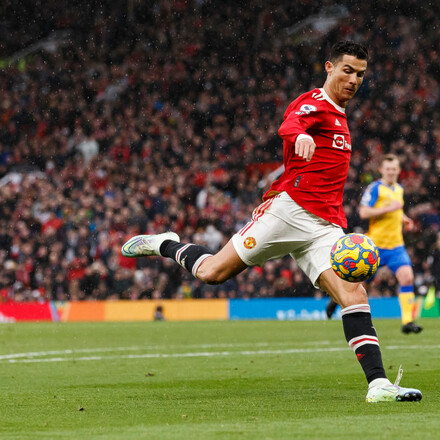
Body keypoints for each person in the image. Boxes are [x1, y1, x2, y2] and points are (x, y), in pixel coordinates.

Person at [121, 41, 421, 402]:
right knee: (212, 273)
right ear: (329, 67)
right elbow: (290, 123)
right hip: (288, 213)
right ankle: (164, 243)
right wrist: (301, 136)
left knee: (353, 294)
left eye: (360, 74)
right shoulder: (315, 103)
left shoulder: (341, 116)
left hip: (325, 226)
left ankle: (378, 385)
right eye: (347, 70)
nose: (354, 79)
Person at [326, 154, 423, 334]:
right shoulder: (375, 188)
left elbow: (396, 210)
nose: (391, 172)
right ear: (381, 170)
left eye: (394, 169)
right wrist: (389, 208)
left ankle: (407, 321)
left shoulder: (399, 189)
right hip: (374, 246)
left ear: (398, 170)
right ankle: (336, 300)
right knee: (361, 286)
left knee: (407, 278)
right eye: (388, 169)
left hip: (396, 246)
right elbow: (364, 212)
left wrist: (404, 218)